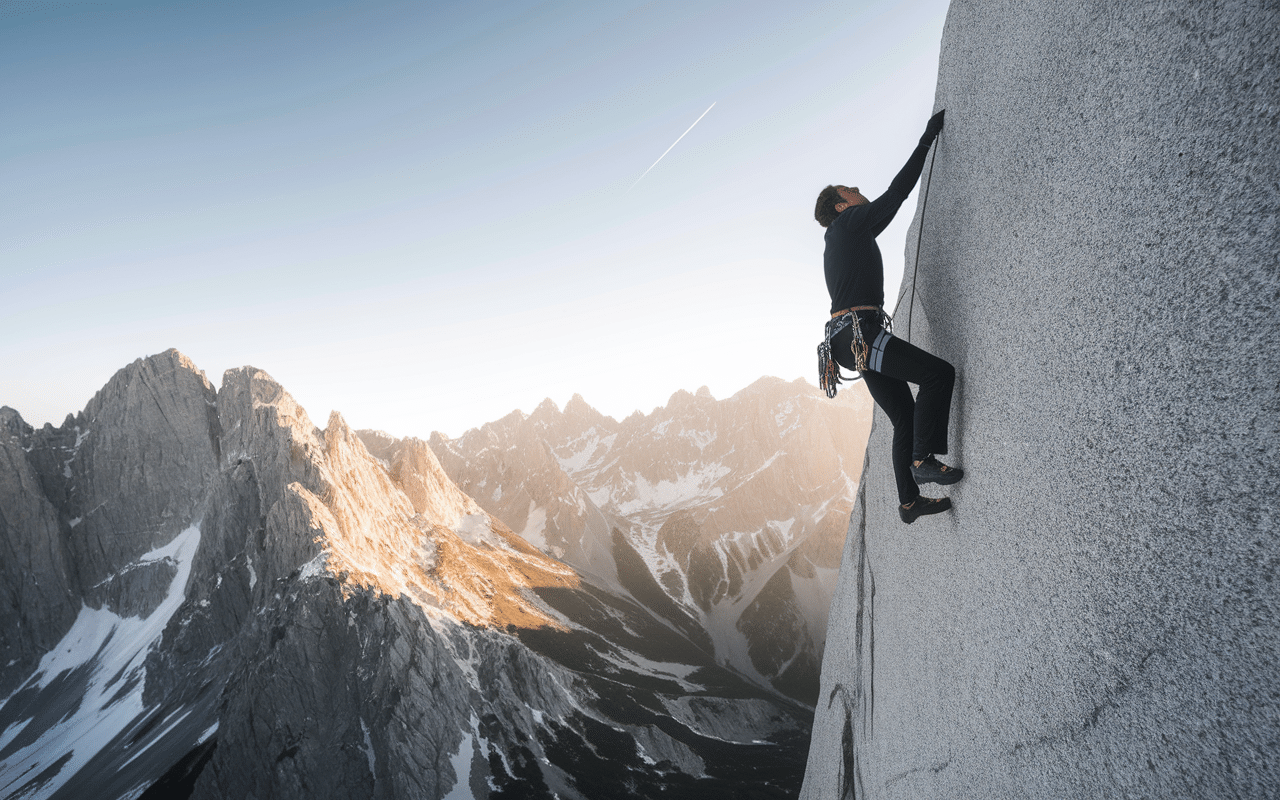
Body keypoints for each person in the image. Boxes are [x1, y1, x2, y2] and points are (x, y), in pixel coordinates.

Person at [814, 109, 962, 524]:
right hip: (862, 334)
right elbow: (896, 194)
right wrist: (926, 140)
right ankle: (922, 460)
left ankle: (909, 502)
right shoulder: (851, 224)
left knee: (903, 415)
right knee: (938, 374)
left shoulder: (839, 236)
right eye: (851, 189)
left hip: (849, 341)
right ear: (843, 206)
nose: (860, 190)